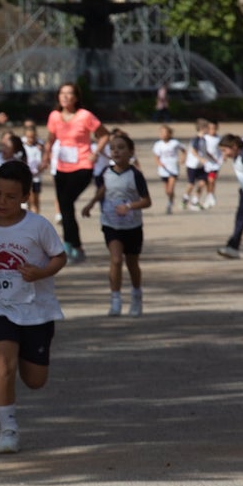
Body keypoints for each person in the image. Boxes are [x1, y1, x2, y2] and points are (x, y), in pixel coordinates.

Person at [0, 161, 66, 455]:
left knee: (35, 380)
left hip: (37, 311)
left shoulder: (38, 226)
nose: (2, 202)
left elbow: (59, 258)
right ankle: (8, 430)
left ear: (24, 195)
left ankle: (26, 354)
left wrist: (41, 272)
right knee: (1, 368)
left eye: (10, 196)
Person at [82, 132, 152, 317]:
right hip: (111, 224)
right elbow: (103, 189)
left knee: (132, 264)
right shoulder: (106, 173)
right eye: (113, 148)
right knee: (115, 259)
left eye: (121, 148)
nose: (116, 152)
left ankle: (136, 296)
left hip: (133, 226)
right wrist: (90, 204)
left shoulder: (135, 175)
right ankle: (115, 300)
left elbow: (147, 201)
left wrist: (129, 206)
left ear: (131, 152)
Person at [41, 82, 104, 262]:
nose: (65, 97)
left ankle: (70, 245)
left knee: (67, 202)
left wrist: (96, 152)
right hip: (61, 167)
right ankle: (75, 247)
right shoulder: (54, 116)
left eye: (69, 94)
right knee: (65, 206)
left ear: (76, 98)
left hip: (83, 166)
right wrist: (46, 157)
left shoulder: (85, 116)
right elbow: (51, 138)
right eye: (62, 93)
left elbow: (104, 134)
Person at [152, 125, 185, 215]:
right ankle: (171, 198)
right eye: (161, 133)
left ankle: (169, 204)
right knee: (167, 190)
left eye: (165, 133)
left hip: (173, 168)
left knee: (170, 189)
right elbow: (156, 156)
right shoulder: (158, 144)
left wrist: (183, 158)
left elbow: (183, 150)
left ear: (170, 134)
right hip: (163, 169)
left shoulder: (175, 143)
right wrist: (158, 163)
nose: (162, 135)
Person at [21, 121, 45, 215]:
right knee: (30, 198)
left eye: (32, 137)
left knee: (36, 198)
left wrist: (40, 169)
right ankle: (31, 213)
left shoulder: (39, 146)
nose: (31, 139)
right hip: (26, 176)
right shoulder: (22, 146)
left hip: (37, 176)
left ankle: (36, 215)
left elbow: (43, 160)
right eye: (29, 137)